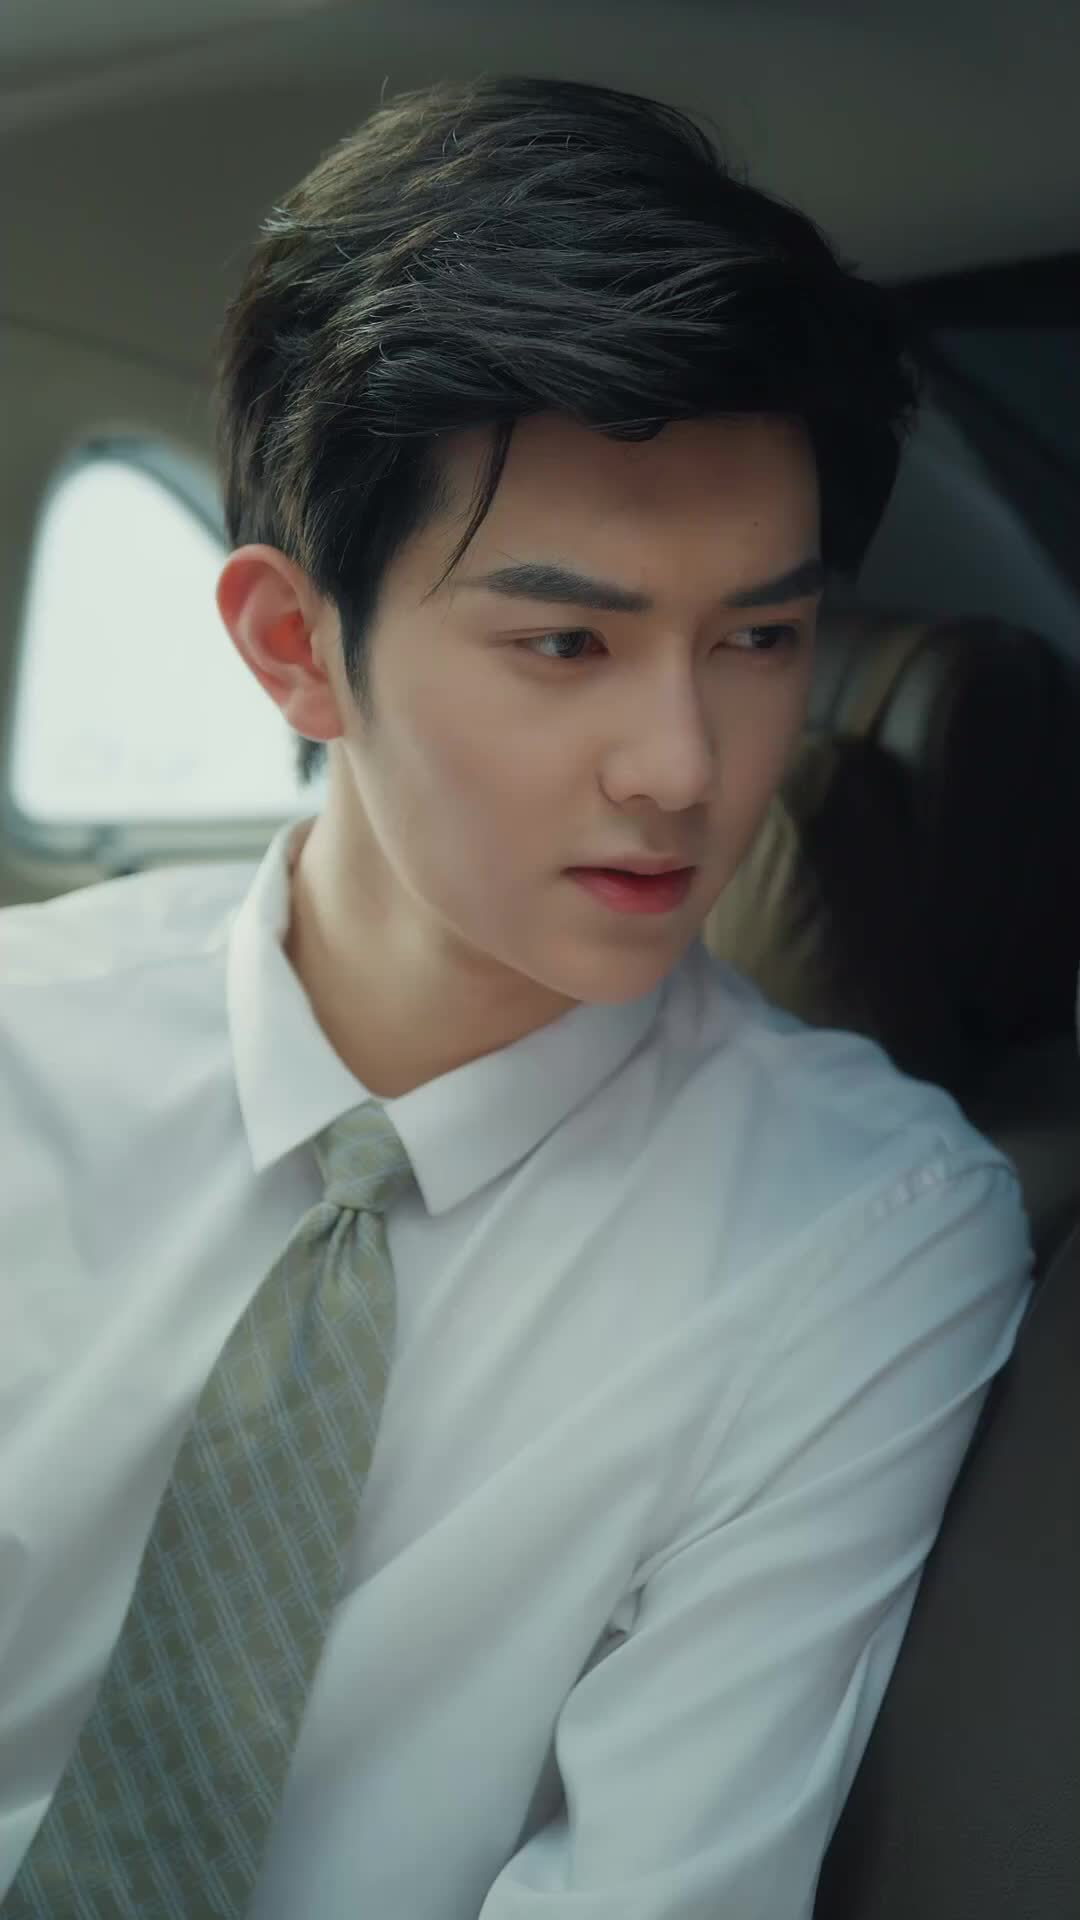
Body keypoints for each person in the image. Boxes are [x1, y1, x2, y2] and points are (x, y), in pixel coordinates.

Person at [0, 74, 1032, 1920]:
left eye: (760, 639)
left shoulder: (864, 1234)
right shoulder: (24, 1042)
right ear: (295, 648)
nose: (684, 765)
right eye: (568, 640)